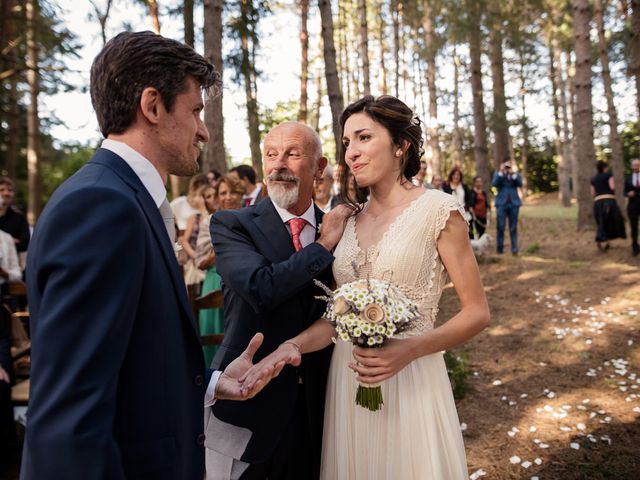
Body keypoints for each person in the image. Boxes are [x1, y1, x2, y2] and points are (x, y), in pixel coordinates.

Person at [21, 31, 283, 480]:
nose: (203, 130)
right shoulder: (102, 207)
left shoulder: (126, 199)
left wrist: (214, 383)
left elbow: (130, 364)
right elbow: (70, 421)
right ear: (153, 106)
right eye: (196, 110)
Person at [243, 95, 490, 479]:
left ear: (400, 145)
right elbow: (338, 317)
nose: (351, 153)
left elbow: (477, 312)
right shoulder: (347, 223)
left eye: (363, 138)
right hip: (349, 381)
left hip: (412, 378)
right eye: (346, 143)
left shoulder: (440, 212)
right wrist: (292, 346)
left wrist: (408, 350)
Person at [204, 121, 351, 480]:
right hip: (249, 400)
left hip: (325, 404)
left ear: (320, 167)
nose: (279, 164)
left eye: (293, 154)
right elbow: (260, 288)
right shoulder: (232, 224)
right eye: (271, 155)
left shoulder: (346, 227)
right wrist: (323, 246)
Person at [196, 175, 245, 367]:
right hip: (214, 280)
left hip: (243, 280)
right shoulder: (209, 221)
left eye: (233, 192)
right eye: (223, 193)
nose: (228, 197)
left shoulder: (253, 217)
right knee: (215, 337)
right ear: (217, 197)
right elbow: (200, 261)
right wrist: (223, 247)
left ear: (241, 194)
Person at [591, 160, 626, 251]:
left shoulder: (593, 179)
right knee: (609, 221)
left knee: (601, 221)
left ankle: (600, 240)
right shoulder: (608, 175)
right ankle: (606, 241)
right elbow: (612, 187)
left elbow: (593, 192)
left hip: (597, 202)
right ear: (604, 168)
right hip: (608, 200)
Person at [492, 160, 522, 254]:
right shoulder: (499, 174)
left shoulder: (515, 174)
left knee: (513, 227)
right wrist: (501, 171)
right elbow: (494, 183)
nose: (507, 167)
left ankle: (514, 249)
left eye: (509, 165)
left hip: (514, 204)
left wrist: (513, 173)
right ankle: (500, 249)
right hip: (501, 204)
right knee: (500, 226)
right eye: (506, 165)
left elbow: (520, 183)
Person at [0, 177, 30, 268]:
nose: (6, 193)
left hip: (10, 269)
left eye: (10, 190)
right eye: (1, 190)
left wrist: (4, 241)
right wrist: (12, 240)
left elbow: (25, 244)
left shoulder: (19, 218)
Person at [624, 158, 640, 256]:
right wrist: (628, 194)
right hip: (633, 205)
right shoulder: (628, 178)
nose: (635, 167)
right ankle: (635, 246)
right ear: (631, 166)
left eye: (637, 165)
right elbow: (624, 192)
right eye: (634, 165)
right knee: (633, 227)